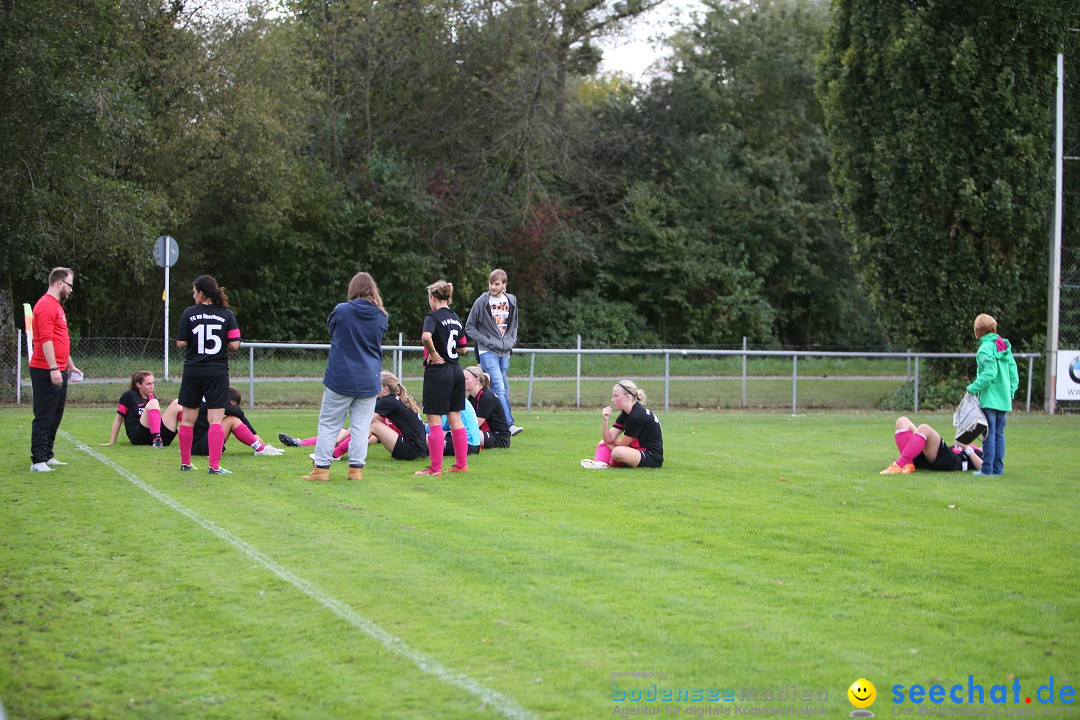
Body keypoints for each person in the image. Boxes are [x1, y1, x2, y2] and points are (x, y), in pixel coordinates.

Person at [303, 271, 389, 483]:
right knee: (361, 427)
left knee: (329, 424)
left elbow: (332, 328)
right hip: (369, 379)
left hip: (341, 378)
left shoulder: (342, 311)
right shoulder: (381, 315)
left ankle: (321, 469)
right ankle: (355, 470)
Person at [176, 275, 241, 475]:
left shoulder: (189, 313)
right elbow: (235, 344)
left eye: (194, 291)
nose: (193, 295)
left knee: (187, 419)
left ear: (201, 293)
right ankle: (214, 466)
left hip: (193, 370)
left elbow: (180, 342)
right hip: (217, 372)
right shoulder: (226, 314)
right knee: (215, 419)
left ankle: (185, 463)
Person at [29, 267, 83, 472]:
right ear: (60, 283)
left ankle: (47, 454)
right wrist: (53, 368)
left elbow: (61, 339)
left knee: (56, 413)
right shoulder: (45, 306)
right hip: (45, 368)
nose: (70, 290)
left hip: (59, 368)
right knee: (44, 414)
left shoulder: (57, 306)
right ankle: (38, 460)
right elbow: (46, 339)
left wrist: (69, 365)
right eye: (69, 285)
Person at [416, 280, 470, 476]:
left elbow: (425, 336)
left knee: (435, 421)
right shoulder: (456, 318)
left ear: (433, 298)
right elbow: (463, 348)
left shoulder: (432, 316)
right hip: (456, 371)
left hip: (438, 371)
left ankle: (435, 469)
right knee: (455, 418)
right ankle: (461, 465)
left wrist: (433, 352)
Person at [465, 268, 523, 436]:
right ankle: (508, 425)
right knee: (499, 387)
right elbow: (469, 327)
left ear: (504, 285)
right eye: (491, 283)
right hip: (487, 352)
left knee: (503, 387)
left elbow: (515, 325)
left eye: (497, 284)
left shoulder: (511, 301)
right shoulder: (482, 302)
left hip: (505, 352)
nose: (493, 287)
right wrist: (486, 341)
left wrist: (511, 341)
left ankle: (490, 421)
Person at [966, 313, 1019, 476]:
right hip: (1004, 398)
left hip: (989, 398)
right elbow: (1013, 372)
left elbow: (989, 373)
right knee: (999, 434)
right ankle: (998, 469)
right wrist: (1010, 392)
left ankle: (987, 469)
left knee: (988, 434)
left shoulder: (984, 349)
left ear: (977, 331)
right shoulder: (1004, 346)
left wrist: (972, 388)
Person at [580, 380, 664, 469]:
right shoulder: (626, 413)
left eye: (616, 396)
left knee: (617, 451)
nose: (612, 399)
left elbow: (621, 444)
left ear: (627, 397)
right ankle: (600, 464)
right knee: (603, 442)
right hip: (636, 452)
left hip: (651, 457)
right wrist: (605, 420)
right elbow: (607, 439)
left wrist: (611, 440)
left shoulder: (636, 415)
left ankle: (613, 462)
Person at [879, 416, 983, 474]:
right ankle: (908, 466)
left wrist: (967, 448)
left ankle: (899, 465)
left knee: (925, 428)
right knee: (902, 421)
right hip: (937, 456)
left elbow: (983, 467)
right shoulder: (979, 447)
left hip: (951, 462)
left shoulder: (981, 453)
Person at [102, 371, 177, 447]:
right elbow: (118, 420)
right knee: (153, 402)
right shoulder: (129, 395)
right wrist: (112, 441)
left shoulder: (151, 396)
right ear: (138, 384)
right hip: (138, 437)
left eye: (153, 383)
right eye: (148, 384)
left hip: (151, 433)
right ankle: (157, 440)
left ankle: (188, 441)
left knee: (177, 403)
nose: (152, 386)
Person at [368, 371, 429, 461]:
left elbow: (366, 421)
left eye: (377, 386)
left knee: (373, 425)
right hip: (418, 449)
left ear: (385, 389)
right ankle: (348, 449)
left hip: (413, 451)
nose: (374, 388)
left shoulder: (388, 401)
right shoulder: (396, 398)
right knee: (370, 425)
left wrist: (342, 437)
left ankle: (344, 450)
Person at [465, 365, 511, 449]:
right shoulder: (471, 397)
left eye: (465, 379)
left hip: (499, 438)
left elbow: (476, 424)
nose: (462, 381)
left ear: (476, 380)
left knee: (463, 433)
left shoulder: (487, 397)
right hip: (483, 432)